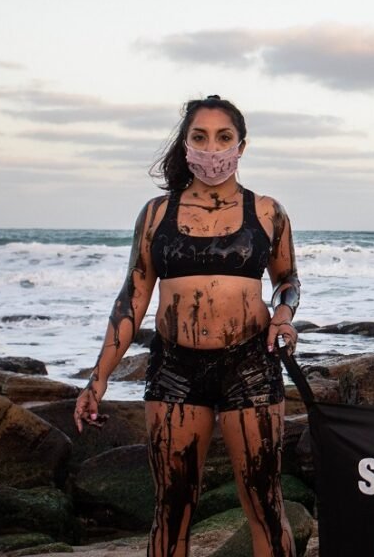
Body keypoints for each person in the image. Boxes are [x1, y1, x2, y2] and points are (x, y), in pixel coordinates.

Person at [73, 96, 301, 557]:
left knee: (265, 504)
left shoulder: (268, 212)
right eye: (199, 137)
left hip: (251, 367)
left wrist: (283, 316)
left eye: (223, 138)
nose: (212, 149)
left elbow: (287, 281)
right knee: (172, 509)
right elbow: (132, 298)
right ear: (185, 145)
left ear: (241, 145)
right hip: (175, 371)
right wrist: (97, 379)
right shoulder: (158, 214)